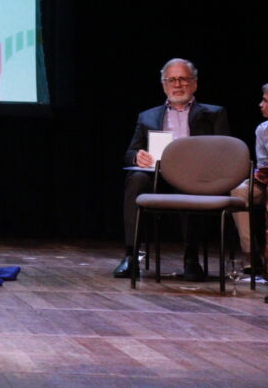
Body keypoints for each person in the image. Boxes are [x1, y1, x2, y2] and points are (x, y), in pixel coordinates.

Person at [113, 58, 229, 281]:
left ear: (194, 84)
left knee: (191, 185)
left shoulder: (213, 113)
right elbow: (129, 152)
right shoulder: (147, 116)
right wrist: (138, 156)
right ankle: (131, 255)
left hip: (195, 176)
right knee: (135, 179)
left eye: (183, 79)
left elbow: (225, 149)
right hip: (157, 175)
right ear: (164, 85)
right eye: (171, 80)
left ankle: (191, 259)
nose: (177, 84)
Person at [228, 83, 268, 270]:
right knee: (239, 191)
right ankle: (251, 254)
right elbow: (263, 165)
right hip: (265, 182)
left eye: (265, 101)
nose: (260, 104)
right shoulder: (262, 130)